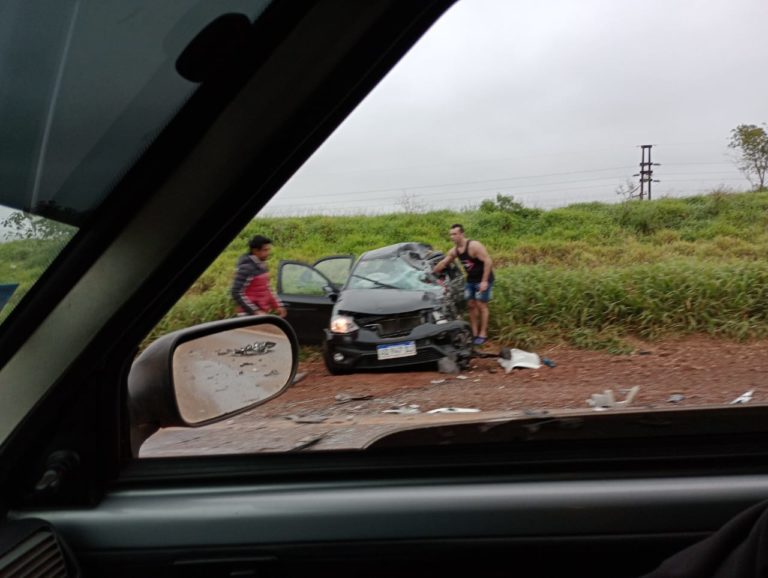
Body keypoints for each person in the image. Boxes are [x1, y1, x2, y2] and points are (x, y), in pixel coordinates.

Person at [432, 224, 494, 346]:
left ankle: (483, 334)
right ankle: (474, 333)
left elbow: (488, 261)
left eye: (455, 234)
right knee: (471, 305)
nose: (452, 237)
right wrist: (431, 272)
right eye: (451, 234)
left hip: (483, 278)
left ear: (462, 234)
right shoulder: (455, 250)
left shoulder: (474, 246)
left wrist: (484, 281)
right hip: (471, 280)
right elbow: (444, 262)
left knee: (481, 304)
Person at [230, 235, 287, 318]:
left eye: (269, 249)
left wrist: (277, 305)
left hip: (261, 313)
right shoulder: (246, 267)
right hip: (247, 316)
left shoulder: (262, 265)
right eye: (265, 250)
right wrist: (255, 311)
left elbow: (267, 288)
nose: (268, 253)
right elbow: (236, 292)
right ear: (255, 251)